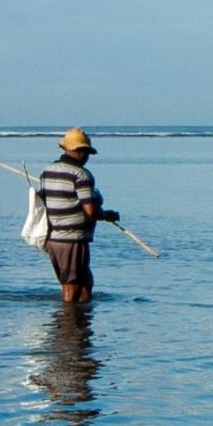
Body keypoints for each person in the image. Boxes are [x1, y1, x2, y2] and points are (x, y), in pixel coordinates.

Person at [34, 127, 121, 303]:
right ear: (80, 151)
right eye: (87, 152)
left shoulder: (47, 171)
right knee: (71, 285)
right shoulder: (81, 175)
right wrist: (106, 215)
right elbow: (90, 211)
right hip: (71, 238)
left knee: (85, 283)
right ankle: (69, 323)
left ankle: (80, 323)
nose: (88, 157)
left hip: (53, 238)